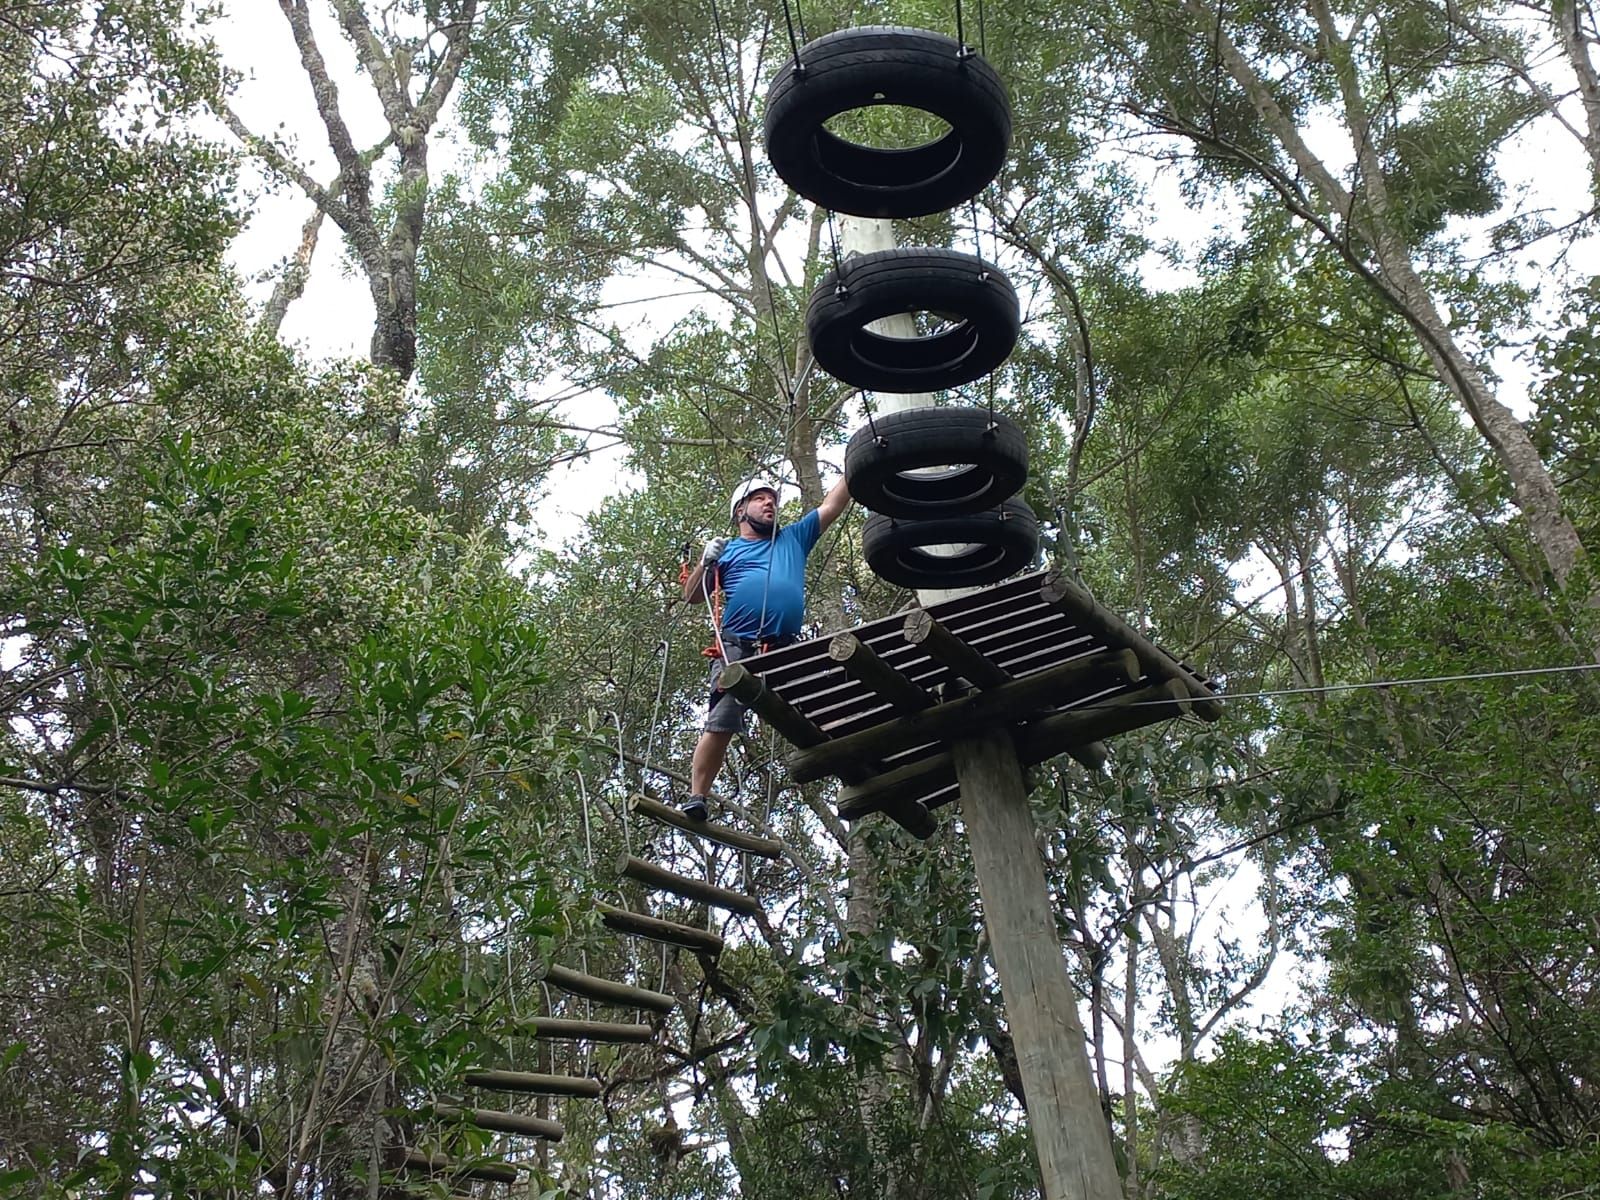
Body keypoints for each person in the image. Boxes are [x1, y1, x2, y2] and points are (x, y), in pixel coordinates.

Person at [679, 474, 852, 819]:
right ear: (740, 511)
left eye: (771, 498)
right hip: (737, 647)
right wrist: (704, 562)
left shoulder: (794, 537)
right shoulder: (728, 552)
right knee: (722, 721)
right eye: (759, 498)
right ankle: (698, 796)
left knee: (824, 711)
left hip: (784, 649)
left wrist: (857, 462)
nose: (769, 502)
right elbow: (693, 596)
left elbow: (832, 505)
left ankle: (855, 767)